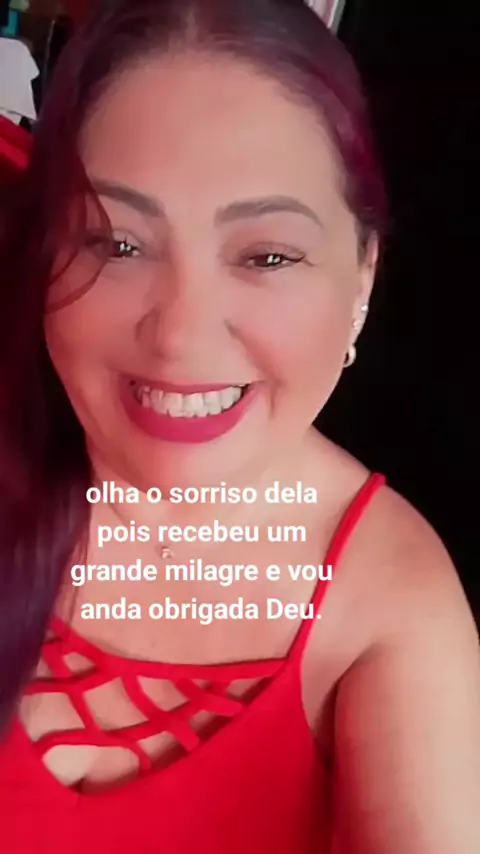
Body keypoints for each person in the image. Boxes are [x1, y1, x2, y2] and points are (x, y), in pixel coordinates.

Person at [0, 1, 479, 851]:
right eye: (117, 244)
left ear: (362, 277)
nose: (180, 337)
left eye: (267, 256)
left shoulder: (393, 609)